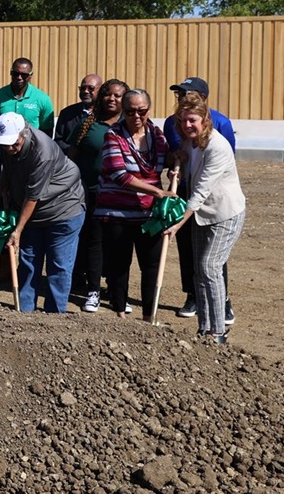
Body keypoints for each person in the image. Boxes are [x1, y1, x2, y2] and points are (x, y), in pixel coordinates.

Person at [163, 94, 246, 343]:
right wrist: (177, 163)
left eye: (192, 120)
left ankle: (218, 331)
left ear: (204, 119)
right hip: (202, 215)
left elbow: (200, 192)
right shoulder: (191, 142)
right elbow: (185, 163)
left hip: (225, 213)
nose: (187, 125)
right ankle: (205, 328)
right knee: (199, 270)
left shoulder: (217, 147)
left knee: (210, 266)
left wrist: (178, 224)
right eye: (183, 121)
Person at [0, 113, 86, 313]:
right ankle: (25, 313)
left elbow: (33, 196)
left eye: (14, 143)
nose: (9, 149)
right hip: (33, 213)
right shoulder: (7, 147)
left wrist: (17, 230)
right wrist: (4, 184)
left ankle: (54, 316)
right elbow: (9, 173)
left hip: (63, 210)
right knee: (28, 262)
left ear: (24, 134)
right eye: (5, 145)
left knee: (59, 265)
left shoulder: (42, 151)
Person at [94, 88, 173, 319]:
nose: (136, 116)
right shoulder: (113, 135)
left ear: (149, 110)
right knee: (119, 266)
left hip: (148, 214)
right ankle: (120, 313)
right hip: (117, 212)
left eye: (142, 111)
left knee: (151, 265)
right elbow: (120, 175)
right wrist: (158, 191)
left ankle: (150, 315)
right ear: (123, 111)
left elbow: (165, 159)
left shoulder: (156, 135)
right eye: (130, 111)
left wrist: (176, 159)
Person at [60, 79, 129, 312]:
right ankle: (93, 291)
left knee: (117, 243)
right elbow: (71, 158)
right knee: (94, 242)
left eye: (118, 96)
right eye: (108, 94)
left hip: (121, 195)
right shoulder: (88, 124)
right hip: (90, 192)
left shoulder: (131, 125)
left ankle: (117, 293)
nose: (112, 99)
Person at [0, 56, 55, 280]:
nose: (19, 77)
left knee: (27, 209)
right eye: (15, 73)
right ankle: (4, 263)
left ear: (30, 76)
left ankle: (25, 267)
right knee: (3, 211)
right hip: (5, 161)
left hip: (30, 164)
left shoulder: (42, 100)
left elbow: (46, 132)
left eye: (24, 74)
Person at [54, 74, 102, 147]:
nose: (86, 91)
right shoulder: (67, 113)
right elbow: (58, 140)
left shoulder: (106, 113)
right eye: (82, 88)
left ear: (100, 90)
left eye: (90, 88)